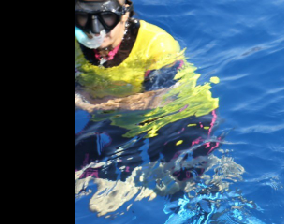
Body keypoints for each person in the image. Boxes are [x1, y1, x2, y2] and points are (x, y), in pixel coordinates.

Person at [74, 0, 219, 182]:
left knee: (186, 182)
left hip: (180, 119)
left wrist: (96, 104)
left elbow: (159, 98)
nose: (96, 30)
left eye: (107, 17)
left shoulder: (157, 44)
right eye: (83, 17)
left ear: (125, 12)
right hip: (120, 124)